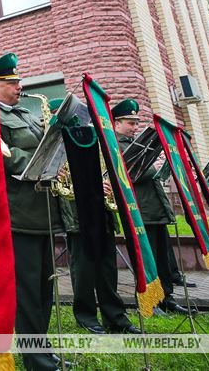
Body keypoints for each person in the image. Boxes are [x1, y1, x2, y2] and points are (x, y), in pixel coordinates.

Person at [49, 97, 140, 335]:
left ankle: (115, 317)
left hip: (101, 211)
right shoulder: (55, 139)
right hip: (76, 212)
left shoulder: (92, 136)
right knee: (84, 268)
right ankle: (86, 315)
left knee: (108, 268)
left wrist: (108, 184)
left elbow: (105, 168)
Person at [0, 53, 63, 371]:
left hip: (44, 211)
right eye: (12, 82)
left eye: (19, 81)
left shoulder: (25, 113)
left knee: (44, 288)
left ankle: (43, 348)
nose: (19, 86)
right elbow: (3, 156)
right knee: (27, 289)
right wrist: (40, 162)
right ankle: (35, 358)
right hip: (19, 213)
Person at [112, 99, 191, 315]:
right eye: (130, 123)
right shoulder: (116, 145)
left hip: (155, 209)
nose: (135, 127)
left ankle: (167, 297)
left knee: (163, 259)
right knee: (147, 260)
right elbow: (130, 174)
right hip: (140, 212)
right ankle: (149, 302)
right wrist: (152, 166)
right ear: (117, 123)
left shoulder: (137, 144)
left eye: (136, 123)